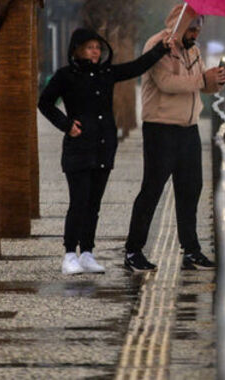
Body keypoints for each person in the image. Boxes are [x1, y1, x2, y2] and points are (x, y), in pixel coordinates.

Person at [38, 28, 170, 275]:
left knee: (94, 204)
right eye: (89, 47)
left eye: (98, 47)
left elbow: (137, 67)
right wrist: (66, 125)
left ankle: (87, 252)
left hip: (103, 147)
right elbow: (44, 103)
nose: (95, 52)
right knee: (78, 201)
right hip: (78, 148)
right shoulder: (65, 76)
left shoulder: (107, 73)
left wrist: (162, 48)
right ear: (76, 49)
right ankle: (69, 254)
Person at [123, 4, 225, 272]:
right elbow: (167, 83)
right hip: (161, 127)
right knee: (152, 189)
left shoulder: (193, 50)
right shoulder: (158, 45)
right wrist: (200, 80)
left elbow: (201, 85)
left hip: (189, 127)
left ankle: (191, 249)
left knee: (190, 189)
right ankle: (133, 250)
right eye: (191, 28)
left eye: (198, 29)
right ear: (179, 24)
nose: (195, 33)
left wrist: (215, 81)